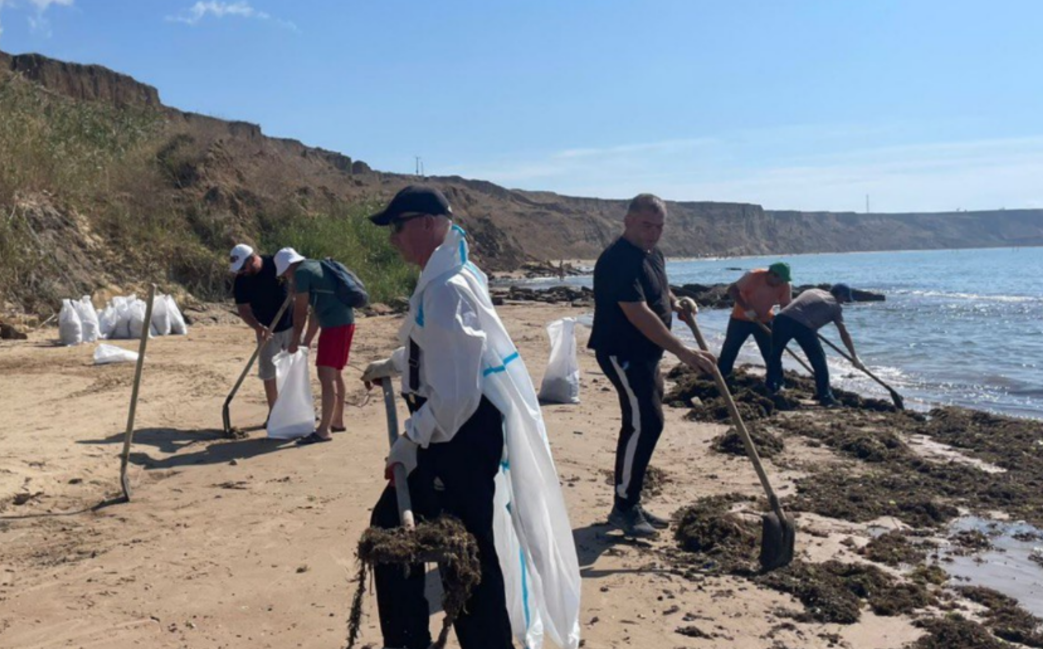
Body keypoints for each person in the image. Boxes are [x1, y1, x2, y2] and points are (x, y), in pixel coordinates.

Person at [360, 185, 581, 649]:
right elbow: (450, 352)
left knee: (452, 549)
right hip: (455, 431)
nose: (392, 239)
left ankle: (415, 641)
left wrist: (411, 440)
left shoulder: (446, 289)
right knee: (453, 545)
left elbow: (457, 394)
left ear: (425, 223)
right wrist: (400, 363)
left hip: (456, 436)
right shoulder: (449, 273)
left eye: (397, 228)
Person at [588, 193, 717, 538]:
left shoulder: (651, 254)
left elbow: (659, 289)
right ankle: (624, 507)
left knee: (645, 422)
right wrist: (684, 352)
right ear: (628, 220)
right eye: (646, 225)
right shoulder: (617, 259)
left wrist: (677, 303)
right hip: (621, 352)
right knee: (645, 422)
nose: (653, 232)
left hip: (647, 354)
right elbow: (638, 313)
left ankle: (630, 500)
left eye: (659, 226)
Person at [273, 247, 357, 445]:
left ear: (289, 266)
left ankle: (323, 430)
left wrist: (295, 341)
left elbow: (300, 311)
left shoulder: (301, 273)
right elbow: (317, 311)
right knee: (335, 373)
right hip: (345, 322)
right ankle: (337, 421)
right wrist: (307, 341)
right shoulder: (316, 265)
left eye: (285, 273)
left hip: (335, 327)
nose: (285, 277)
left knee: (325, 375)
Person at [765, 283, 861, 407]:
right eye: (845, 298)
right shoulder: (836, 307)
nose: (844, 302)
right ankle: (826, 397)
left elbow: (803, 307)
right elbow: (843, 332)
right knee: (819, 361)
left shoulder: (812, 291)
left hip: (782, 318)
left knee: (775, 355)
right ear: (841, 295)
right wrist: (854, 356)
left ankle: (772, 386)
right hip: (803, 327)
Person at [229, 244, 294, 411]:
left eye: (243, 267)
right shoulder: (241, 280)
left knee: (294, 369)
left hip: (291, 326)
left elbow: (295, 276)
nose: (241, 272)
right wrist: (258, 327)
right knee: (269, 373)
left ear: (252, 259)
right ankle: (275, 412)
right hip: (266, 331)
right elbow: (243, 309)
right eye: (239, 270)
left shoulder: (276, 263)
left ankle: (297, 408)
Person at [717, 262, 793, 377]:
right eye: (780, 279)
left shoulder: (785, 284)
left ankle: (775, 381)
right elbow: (732, 290)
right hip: (740, 319)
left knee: (771, 353)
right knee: (729, 350)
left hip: (764, 320)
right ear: (772, 274)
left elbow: (785, 306)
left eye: (784, 280)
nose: (782, 283)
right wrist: (747, 309)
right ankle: (721, 377)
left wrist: (783, 324)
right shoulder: (753, 276)